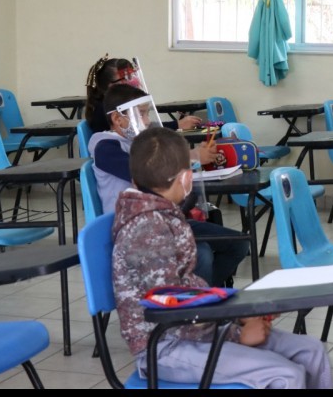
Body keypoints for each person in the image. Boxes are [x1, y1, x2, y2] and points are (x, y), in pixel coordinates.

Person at [113, 125, 333, 388]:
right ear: (186, 178)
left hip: (196, 329)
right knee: (286, 375)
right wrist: (237, 333)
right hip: (165, 347)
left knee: (311, 352)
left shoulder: (163, 214)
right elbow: (170, 311)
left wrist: (240, 314)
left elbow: (188, 290)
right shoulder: (146, 229)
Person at [89, 83, 249, 288]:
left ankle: (200, 294)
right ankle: (197, 299)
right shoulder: (104, 146)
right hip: (136, 226)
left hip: (166, 219)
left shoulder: (140, 142)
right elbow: (147, 172)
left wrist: (195, 157)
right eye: (141, 114)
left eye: (147, 114)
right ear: (117, 119)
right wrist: (192, 156)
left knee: (239, 243)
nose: (147, 121)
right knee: (202, 254)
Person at [84, 54, 203, 134]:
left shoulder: (118, 106)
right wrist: (177, 125)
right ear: (110, 85)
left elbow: (145, 127)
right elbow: (139, 131)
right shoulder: (106, 112)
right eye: (126, 78)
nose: (134, 82)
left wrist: (177, 124)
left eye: (132, 76)